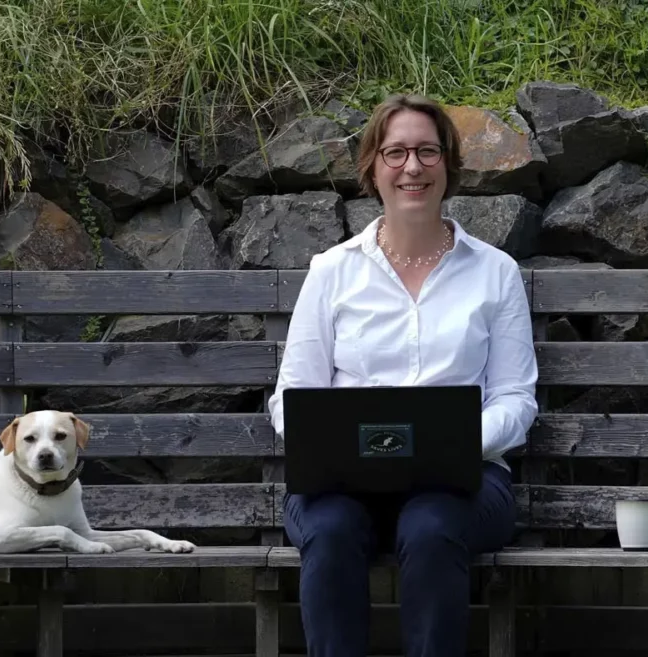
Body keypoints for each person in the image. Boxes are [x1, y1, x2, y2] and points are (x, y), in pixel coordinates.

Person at [266, 94, 540, 657]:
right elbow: (292, 396)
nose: (412, 167)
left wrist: (458, 446)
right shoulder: (332, 272)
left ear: (448, 165)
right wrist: (330, 445)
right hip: (342, 482)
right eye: (395, 153)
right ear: (372, 167)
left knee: (430, 528)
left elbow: (516, 398)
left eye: (426, 151)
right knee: (332, 531)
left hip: (462, 483)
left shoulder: (496, 273)